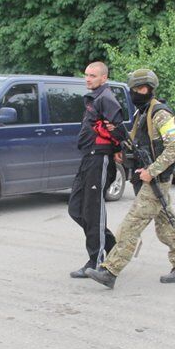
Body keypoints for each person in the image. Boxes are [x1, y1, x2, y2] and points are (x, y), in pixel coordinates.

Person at [85, 69, 175, 289]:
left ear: (151, 90)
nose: (137, 92)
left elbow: (174, 147)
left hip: (156, 179)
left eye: (141, 88)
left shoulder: (160, 114)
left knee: (130, 225)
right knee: (166, 225)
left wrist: (151, 171)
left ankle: (110, 270)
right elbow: (135, 142)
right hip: (150, 177)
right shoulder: (141, 113)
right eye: (134, 88)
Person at [67, 61, 126, 278]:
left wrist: (117, 147)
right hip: (87, 159)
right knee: (75, 208)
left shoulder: (106, 98)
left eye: (92, 75)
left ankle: (97, 261)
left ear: (104, 78)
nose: (88, 78)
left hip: (99, 159)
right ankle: (113, 247)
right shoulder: (95, 98)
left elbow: (119, 128)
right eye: (86, 75)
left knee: (94, 211)